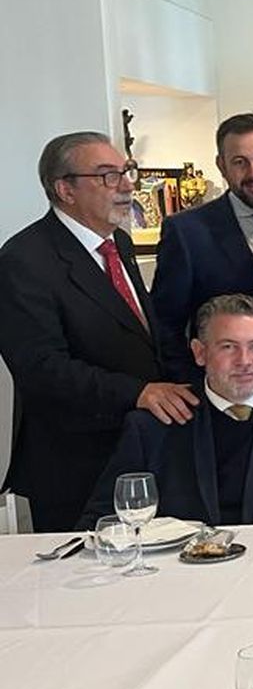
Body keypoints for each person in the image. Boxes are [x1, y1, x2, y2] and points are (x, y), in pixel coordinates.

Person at [0, 132, 198, 532]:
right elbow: (41, 369)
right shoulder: (24, 260)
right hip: (75, 459)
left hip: (143, 446)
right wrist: (138, 393)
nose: (127, 185)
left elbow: (144, 337)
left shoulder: (118, 243)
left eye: (126, 171)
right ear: (65, 189)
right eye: (108, 175)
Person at [82, 294, 253, 527]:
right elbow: (101, 521)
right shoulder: (155, 423)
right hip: (180, 574)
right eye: (228, 347)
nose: (244, 361)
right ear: (199, 353)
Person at [150, 112, 253, 382]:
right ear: (221, 166)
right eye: (240, 162)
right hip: (223, 391)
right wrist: (188, 387)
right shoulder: (187, 232)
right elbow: (167, 325)